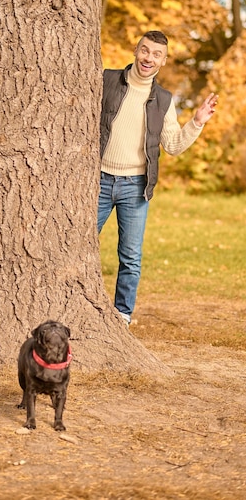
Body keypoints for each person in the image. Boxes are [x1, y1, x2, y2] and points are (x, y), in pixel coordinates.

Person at [98, 30, 218, 325]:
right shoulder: (107, 80)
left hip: (135, 186)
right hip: (97, 180)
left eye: (156, 54)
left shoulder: (163, 99)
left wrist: (197, 122)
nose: (148, 58)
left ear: (163, 61)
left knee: (130, 257)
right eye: (144, 50)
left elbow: (174, 145)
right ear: (136, 50)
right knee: (76, 244)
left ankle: (122, 315)